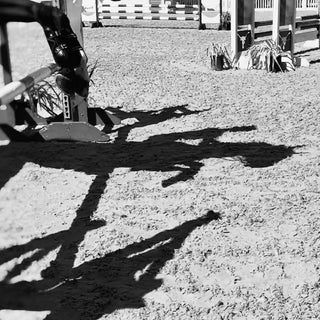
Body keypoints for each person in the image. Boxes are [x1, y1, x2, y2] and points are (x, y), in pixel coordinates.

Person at [0, 0, 89, 97]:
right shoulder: (73, 59)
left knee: (49, 14)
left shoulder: (72, 59)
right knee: (49, 14)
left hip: (68, 58)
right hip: (68, 60)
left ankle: (71, 69)